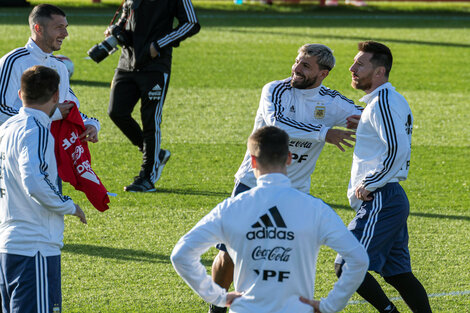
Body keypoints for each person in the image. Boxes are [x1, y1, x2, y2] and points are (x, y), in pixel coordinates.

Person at [210, 43, 363, 313]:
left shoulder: (331, 102)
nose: (296, 69)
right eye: (297, 61)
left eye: (306, 65)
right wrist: (324, 133)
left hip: (296, 192)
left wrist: (364, 120)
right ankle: (217, 307)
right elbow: (276, 124)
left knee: (284, 256)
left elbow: (367, 116)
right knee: (230, 254)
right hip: (253, 182)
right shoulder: (275, 89)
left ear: (323, 73)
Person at [171, 126, 369, 313]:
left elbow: (180, 255)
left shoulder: (231, 208)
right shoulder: (315, 209)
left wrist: (217, 297)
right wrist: (330, 305)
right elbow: (358, 259)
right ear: (289, 158)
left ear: (253, 162)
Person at [334, 41, 432, 313]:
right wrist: (366, 120)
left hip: (382, 197)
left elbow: (398, 148)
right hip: (390, 198)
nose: (352, 68)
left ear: (379, 72)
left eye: (360, 64)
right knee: (398, 274)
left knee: (347, 264)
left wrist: (371, 182)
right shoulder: (383, 102)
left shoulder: (383, 102)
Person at [0, 65, 87, 312]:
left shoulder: (6, 128)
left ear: (20, 94)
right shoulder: (36, 129)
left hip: (8, 245)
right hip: (34, 247)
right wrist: (68, 206)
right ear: (57, 96)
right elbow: (35, 182)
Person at [107, 0, 200, 192]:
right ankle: (156, 155)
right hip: (126, 62)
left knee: (150, 121)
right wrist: (115, 30)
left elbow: (191, 23)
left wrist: (159, 44)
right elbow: (126, 17)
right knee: (116, 113)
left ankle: (147, 177)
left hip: (155, 66)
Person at [0, 4, 101, 142]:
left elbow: (68, 108)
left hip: (50, 147)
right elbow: (2, 112)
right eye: (59, 28)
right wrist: (50, 114)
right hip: (18, 147)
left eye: (65, 28)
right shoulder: (14, 61)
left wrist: (90, 123)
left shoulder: (59, 66)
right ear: (38, 28)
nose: (65, 34)